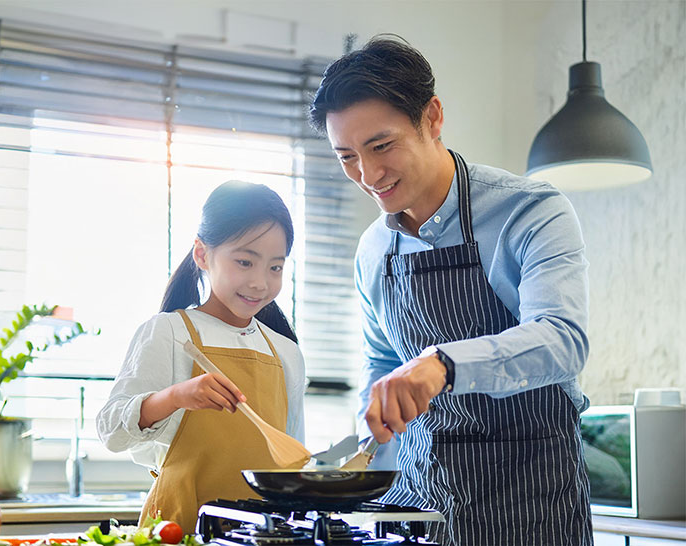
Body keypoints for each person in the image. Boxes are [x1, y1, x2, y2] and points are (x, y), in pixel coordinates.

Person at [309, 37, 592, 546]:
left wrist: (442, 363)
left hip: (531, 504)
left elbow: (562, 340)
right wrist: (369, 434)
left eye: (381, 146)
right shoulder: (373, 249)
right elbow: (380, 360)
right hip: (420, 505)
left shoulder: (529, 211)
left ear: (433, 117)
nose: (369, 176)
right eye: (347, 156)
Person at [97, 181, 305, 533]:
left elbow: (293, 459)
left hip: (261, 533)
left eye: (275, 267)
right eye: (244, 261)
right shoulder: (169, 332)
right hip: (178, 526)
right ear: (202, 254)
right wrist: (176, 397)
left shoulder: (286, 352)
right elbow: (112, 431)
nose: (260, 282)